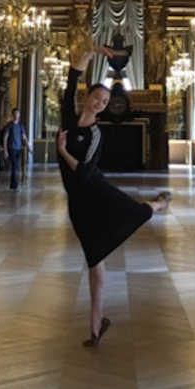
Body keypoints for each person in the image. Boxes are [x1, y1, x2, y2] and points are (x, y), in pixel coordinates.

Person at [57, 48, 172, 346]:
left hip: (98, 192)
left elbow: (84, 173)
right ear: (87, 97)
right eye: (97, 97)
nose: (100, 103)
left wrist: (64, 152)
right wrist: (95, 50)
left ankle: (158, 204)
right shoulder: (69, 117)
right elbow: (73, 75)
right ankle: (96, 325)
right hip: (78, 203)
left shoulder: (96, 134)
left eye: (105, 102)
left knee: (134, 213)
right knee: (95, 258)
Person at [2, 108, 31, 191]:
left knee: (16, 166)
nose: (16, 116)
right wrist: (5, 150)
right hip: (12, 148)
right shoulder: (9, 125)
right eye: (15, 114)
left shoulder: (20, 126)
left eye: (17, 114)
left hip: (18, 148)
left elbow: (24, 137)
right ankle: (15, 184)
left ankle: (12, 184)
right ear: (13, 115)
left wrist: (29, 147)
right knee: (15, 166)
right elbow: (5, 138)